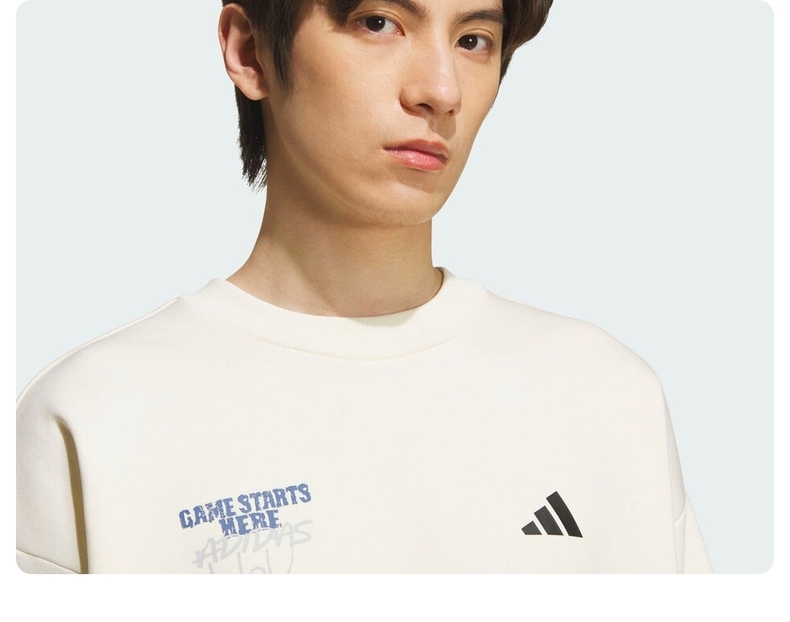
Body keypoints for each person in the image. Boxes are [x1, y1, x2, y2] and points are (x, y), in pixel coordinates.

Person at [16, 0, 712, 573]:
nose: (441, 90)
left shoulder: (608, 396)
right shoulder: (93, 419)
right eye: (380, 23)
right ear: (250, 52)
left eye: (473, 39)